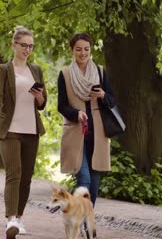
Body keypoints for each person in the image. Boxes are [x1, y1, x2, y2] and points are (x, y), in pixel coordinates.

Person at [0, 26, 47, 239]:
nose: (27, 50)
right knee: (14, 174)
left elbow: (42, 102)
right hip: (9, 129)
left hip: (31, 130)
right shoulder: (4, 69)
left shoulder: (36, 70)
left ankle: (19, 217)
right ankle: (10, 219)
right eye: (23, 45)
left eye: (30, 46)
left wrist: (40, 98)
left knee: (27, 177)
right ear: (14, 45)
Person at [57, 32, 116, 207]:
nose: (83, 53)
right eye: (78, 49)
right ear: (71, 50)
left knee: (95, 184)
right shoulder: (65, 74)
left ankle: (86, 216)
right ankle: (81, 220)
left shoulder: (100, 72)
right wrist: (76, 114)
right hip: (76, 134)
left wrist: (104, 95)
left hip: (98, 135)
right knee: (84, 179)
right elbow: (61, 105)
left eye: (86, 49)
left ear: (91, 50)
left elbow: (112, 101)